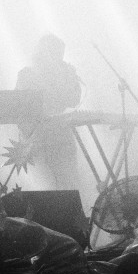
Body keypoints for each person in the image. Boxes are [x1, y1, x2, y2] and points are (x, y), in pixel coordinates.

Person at [13, 34, 82, 190]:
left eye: (60, 54)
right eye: (55, 53)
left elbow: (74, 100)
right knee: (44, 186)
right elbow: (18, 107)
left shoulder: (65, 73)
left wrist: (70, 78)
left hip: (61, 135)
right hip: (36, 137)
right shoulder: (27, 74)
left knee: (69, 182)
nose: (59, 58)